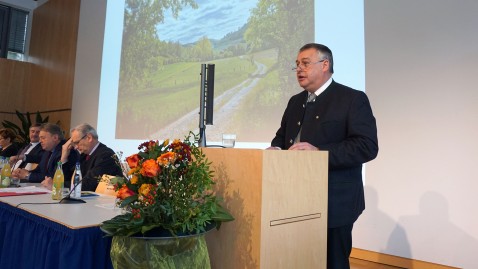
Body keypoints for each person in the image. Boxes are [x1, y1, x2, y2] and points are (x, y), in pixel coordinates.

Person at [268, 43, 378, 269]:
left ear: (325, 64)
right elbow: (281, 137)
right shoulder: (295, 101)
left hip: (335, 201)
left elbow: (367, 146)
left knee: (333, 262)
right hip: (294, 199)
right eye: (297, 65)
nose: (299, 69)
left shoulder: (352, 99)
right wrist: (276, 150)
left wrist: (319, 153)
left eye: (305, 63)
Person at [59, 123, 122, 191]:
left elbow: (88, 184)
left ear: (89, 138)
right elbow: (72, 178)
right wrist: (64, 158)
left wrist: (59, 185)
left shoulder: (106, 155)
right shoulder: (85, 154)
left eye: (77, 142)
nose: (76, 147)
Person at [12, 123, 78, 188]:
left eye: (43, 138)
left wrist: (28, 175)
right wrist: (22, 173)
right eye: (40, 138)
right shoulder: (48, 150)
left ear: (55, 137)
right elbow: (39, 170)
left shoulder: (66, 150)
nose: (40, 141)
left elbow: (53, 176)